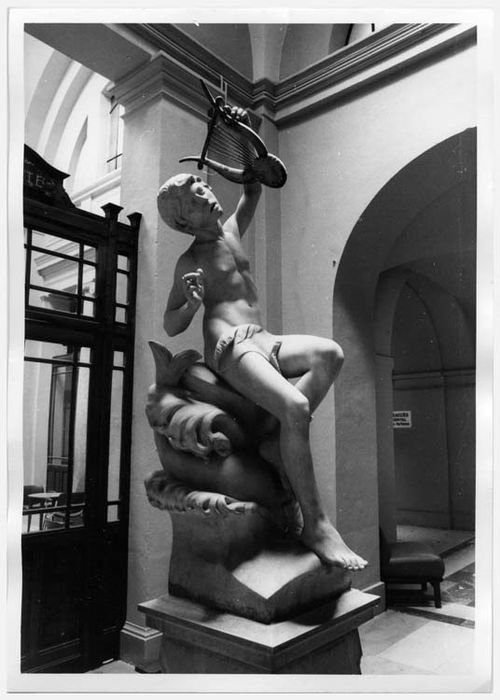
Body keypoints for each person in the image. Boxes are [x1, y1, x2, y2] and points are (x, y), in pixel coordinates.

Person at [157, 106, 367, 570]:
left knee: (330, 354)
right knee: (295, 407)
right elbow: (170, 324)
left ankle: (277, 434)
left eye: (203, 187)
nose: (207, 192)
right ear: (184, 221)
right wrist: (190, 304)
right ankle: (316, 524)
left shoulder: (232, 230)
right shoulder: (189, 260)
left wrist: (239, 129)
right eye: (195, 197)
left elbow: (254, 186)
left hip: (263, 336)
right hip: (230, 346)